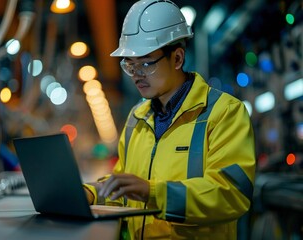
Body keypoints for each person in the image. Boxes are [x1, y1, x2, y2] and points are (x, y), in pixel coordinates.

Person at [84, 0, 256, 239]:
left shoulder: (223, 113)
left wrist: (152, 192)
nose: (137, 75)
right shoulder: (137, 118)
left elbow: (232, 194)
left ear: (177, 58)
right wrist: (90, 193)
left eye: (145, 63)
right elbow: (122, 187)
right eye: (130, 66)